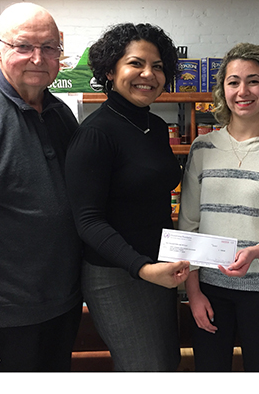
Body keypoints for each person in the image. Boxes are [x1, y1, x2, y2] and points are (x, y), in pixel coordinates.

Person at [65, 23, 190, 371]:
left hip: (158, 268)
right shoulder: (96, 134)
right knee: (145, 369)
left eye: (159, 66)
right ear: (110, 70)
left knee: (165, 363)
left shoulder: (153, 127)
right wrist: (142, 268)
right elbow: (88, 221)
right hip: (117, 275)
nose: (148, 74)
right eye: (136, 64)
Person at [178, 43, 259, 371]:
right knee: (210, 373)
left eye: (253, 81)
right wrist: (192, 292)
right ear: (223, 89)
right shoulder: (203, 147)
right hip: (209, 289)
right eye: (233, 82)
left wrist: (255, 252)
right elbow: (188, 225)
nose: (243, 91)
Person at [0, 3, 83, 372]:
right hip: (3, 319)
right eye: (24, 46)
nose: (38, 58)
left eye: (49, 47)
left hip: (64, 305)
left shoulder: (61, 114)